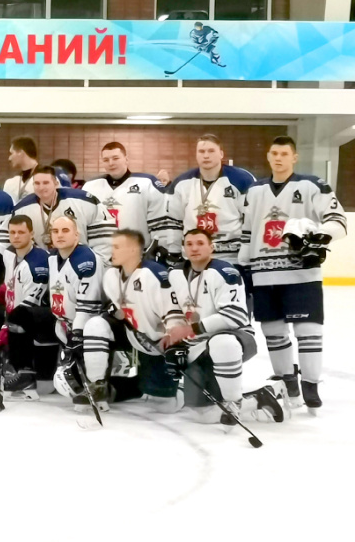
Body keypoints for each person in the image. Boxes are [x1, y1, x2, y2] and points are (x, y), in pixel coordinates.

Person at [237, 135, 346, 409]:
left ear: (294, 157)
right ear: (268, 156)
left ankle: (310, 383)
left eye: (284, 154)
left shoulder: (312, 185)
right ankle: (288, 381)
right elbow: (247, 231)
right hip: (263, 273)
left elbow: (338, 221)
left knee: (308, 330)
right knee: (273, 330)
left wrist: (320, 235)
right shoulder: (254, 190)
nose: (278, 158)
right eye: (274, 153)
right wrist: (243, 265)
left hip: (301, 274)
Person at [173, 228, 284, 424]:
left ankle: (233, 402)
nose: (194, 248)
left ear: (211, 247)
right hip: (197, 346)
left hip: (235, 339)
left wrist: (192, 329)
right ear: (183, 249)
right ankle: (260, 397)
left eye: (200, 243)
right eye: (189, 244)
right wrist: (175, 345)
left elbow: (234, 316)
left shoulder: (225, 272)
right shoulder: (175, 274)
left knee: (222, 343)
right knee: (202, 416)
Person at [85, 229, 186, 413]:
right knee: (96, 325)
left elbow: (174, 314)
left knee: (164, 406)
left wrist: (174, 344)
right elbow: (119, 309)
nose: (112, 251)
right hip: (133, 334)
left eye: (117, 247)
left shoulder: (153, 275)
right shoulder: (111, 276)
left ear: (133, 250)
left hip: (157, 344)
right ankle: (97, 386)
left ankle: (179, 388)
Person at [44, 216, 111, 410]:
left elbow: (88, 306)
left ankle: (100, 391)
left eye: (65, 230)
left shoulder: (86, 260)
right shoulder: (53, 258)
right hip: (64, 323)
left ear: (77, 234)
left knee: (87, 347)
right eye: (55, 231)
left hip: (89, 325)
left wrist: (77, 334)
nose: (59, 235)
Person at [162, 134, 254, 260]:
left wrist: (246, 255)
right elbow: (173, 222)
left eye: (211, 151)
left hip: (230, 257)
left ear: (221, 154)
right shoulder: (181, 183)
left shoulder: (242, 180)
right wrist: (174, 253)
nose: (206, 155)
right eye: (201, 151)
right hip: (193, 257)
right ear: (196, 154)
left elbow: (251, 221)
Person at [0, 215, 57, 395]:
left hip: (46, 321)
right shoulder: (9, 253)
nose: (16, 236)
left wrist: (6, 326)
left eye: (21, 232)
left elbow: (29, 306)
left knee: (45, 388)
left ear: (31, 234)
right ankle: (14, 369)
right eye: (12, 232)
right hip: (20, 316)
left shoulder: (38, 263)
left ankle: (25, 372)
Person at [81, 142, 168, 256]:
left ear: (126, 159)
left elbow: (161, 224)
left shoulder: (147, 183)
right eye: (106, 160)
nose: (111, 163)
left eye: (115, 158)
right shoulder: (90, 187)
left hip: (137, 255)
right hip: (101, 255)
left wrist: (155, 251)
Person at [11, 169, 112, 254]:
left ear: (56, 183)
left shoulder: (84, 201)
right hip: (44, 264)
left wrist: (98, 263)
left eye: (46, 183)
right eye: (37, 183)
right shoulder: (21, 208)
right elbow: (11, 240)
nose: (41, 187)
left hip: (81, 260)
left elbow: (105, 237)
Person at [3, 135, 41, 201]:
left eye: (11, 153)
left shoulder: (49, 178)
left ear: (20, 152)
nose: (9, 158)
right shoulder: (11, 183)